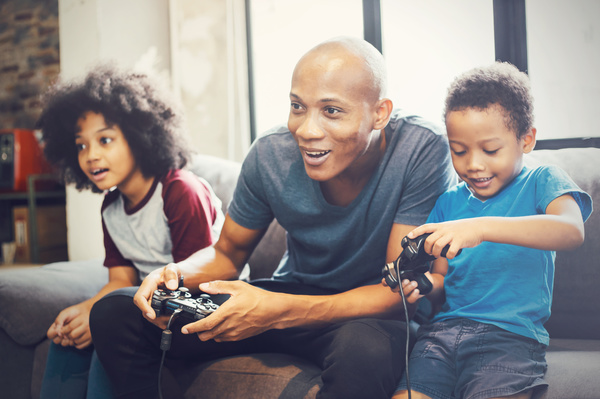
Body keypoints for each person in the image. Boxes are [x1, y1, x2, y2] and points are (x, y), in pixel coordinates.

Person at [89, 36, 457, 399]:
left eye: (331, 110)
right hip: (290, 292)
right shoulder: (269, 154)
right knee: (117, 312)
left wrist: (280, 312)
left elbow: (396, 292)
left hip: (364, 313)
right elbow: (228, 254)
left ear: (380, 113)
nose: (307, 130)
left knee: (368, 352)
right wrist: (176, 273)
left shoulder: (421, 148)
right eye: (298, 106)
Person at [389, 62, 593, 399]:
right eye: (459, 151)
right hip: (440, 336)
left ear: (526, 140)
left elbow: (571, 231)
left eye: (491, 150)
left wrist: (481, 228)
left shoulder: (543, 181)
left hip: (508, 339)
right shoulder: (448, 203)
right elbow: (443, 280)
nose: (473, 164)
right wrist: (423, 285)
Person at [37, 64, 225, 399]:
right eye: (81, 146)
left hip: (203, 303)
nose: (91, 155)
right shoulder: (111, 206)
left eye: (105, 140)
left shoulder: (180, 191)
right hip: (140, 303)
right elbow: (120, 280)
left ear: (140, 136)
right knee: (67, 337)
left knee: (107, 333)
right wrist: (85, 311)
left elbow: (199, 280)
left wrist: (100, 317)